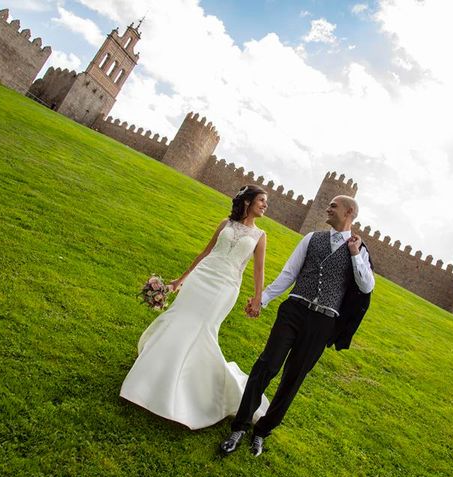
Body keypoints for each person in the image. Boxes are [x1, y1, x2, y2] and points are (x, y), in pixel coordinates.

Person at [220, 195, 375, 456]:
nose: (328, 207)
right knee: (266, 365)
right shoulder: (311, 238)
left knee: (293, 379)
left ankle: (262, 432)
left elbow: (366, 286)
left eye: (334, 206)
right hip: (294, 310)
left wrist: (355, 254)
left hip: (323, 321)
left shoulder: (359, 249)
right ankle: (239, 427)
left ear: (349, 212)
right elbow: (289, 273)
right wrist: (263, 299)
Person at [120, 185, 271, 429]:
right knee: (179, 319)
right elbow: (205, 252)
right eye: (262, 200)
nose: (265, 205)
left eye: (266, 202)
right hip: (202, 277)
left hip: (225, 286)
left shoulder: (260, 236)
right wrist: (181, 279)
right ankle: (152, 375)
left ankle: (196, 389)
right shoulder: (226, 224)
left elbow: (258, 269)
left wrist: (257, 299)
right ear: (248, 202)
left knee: (203, 329)